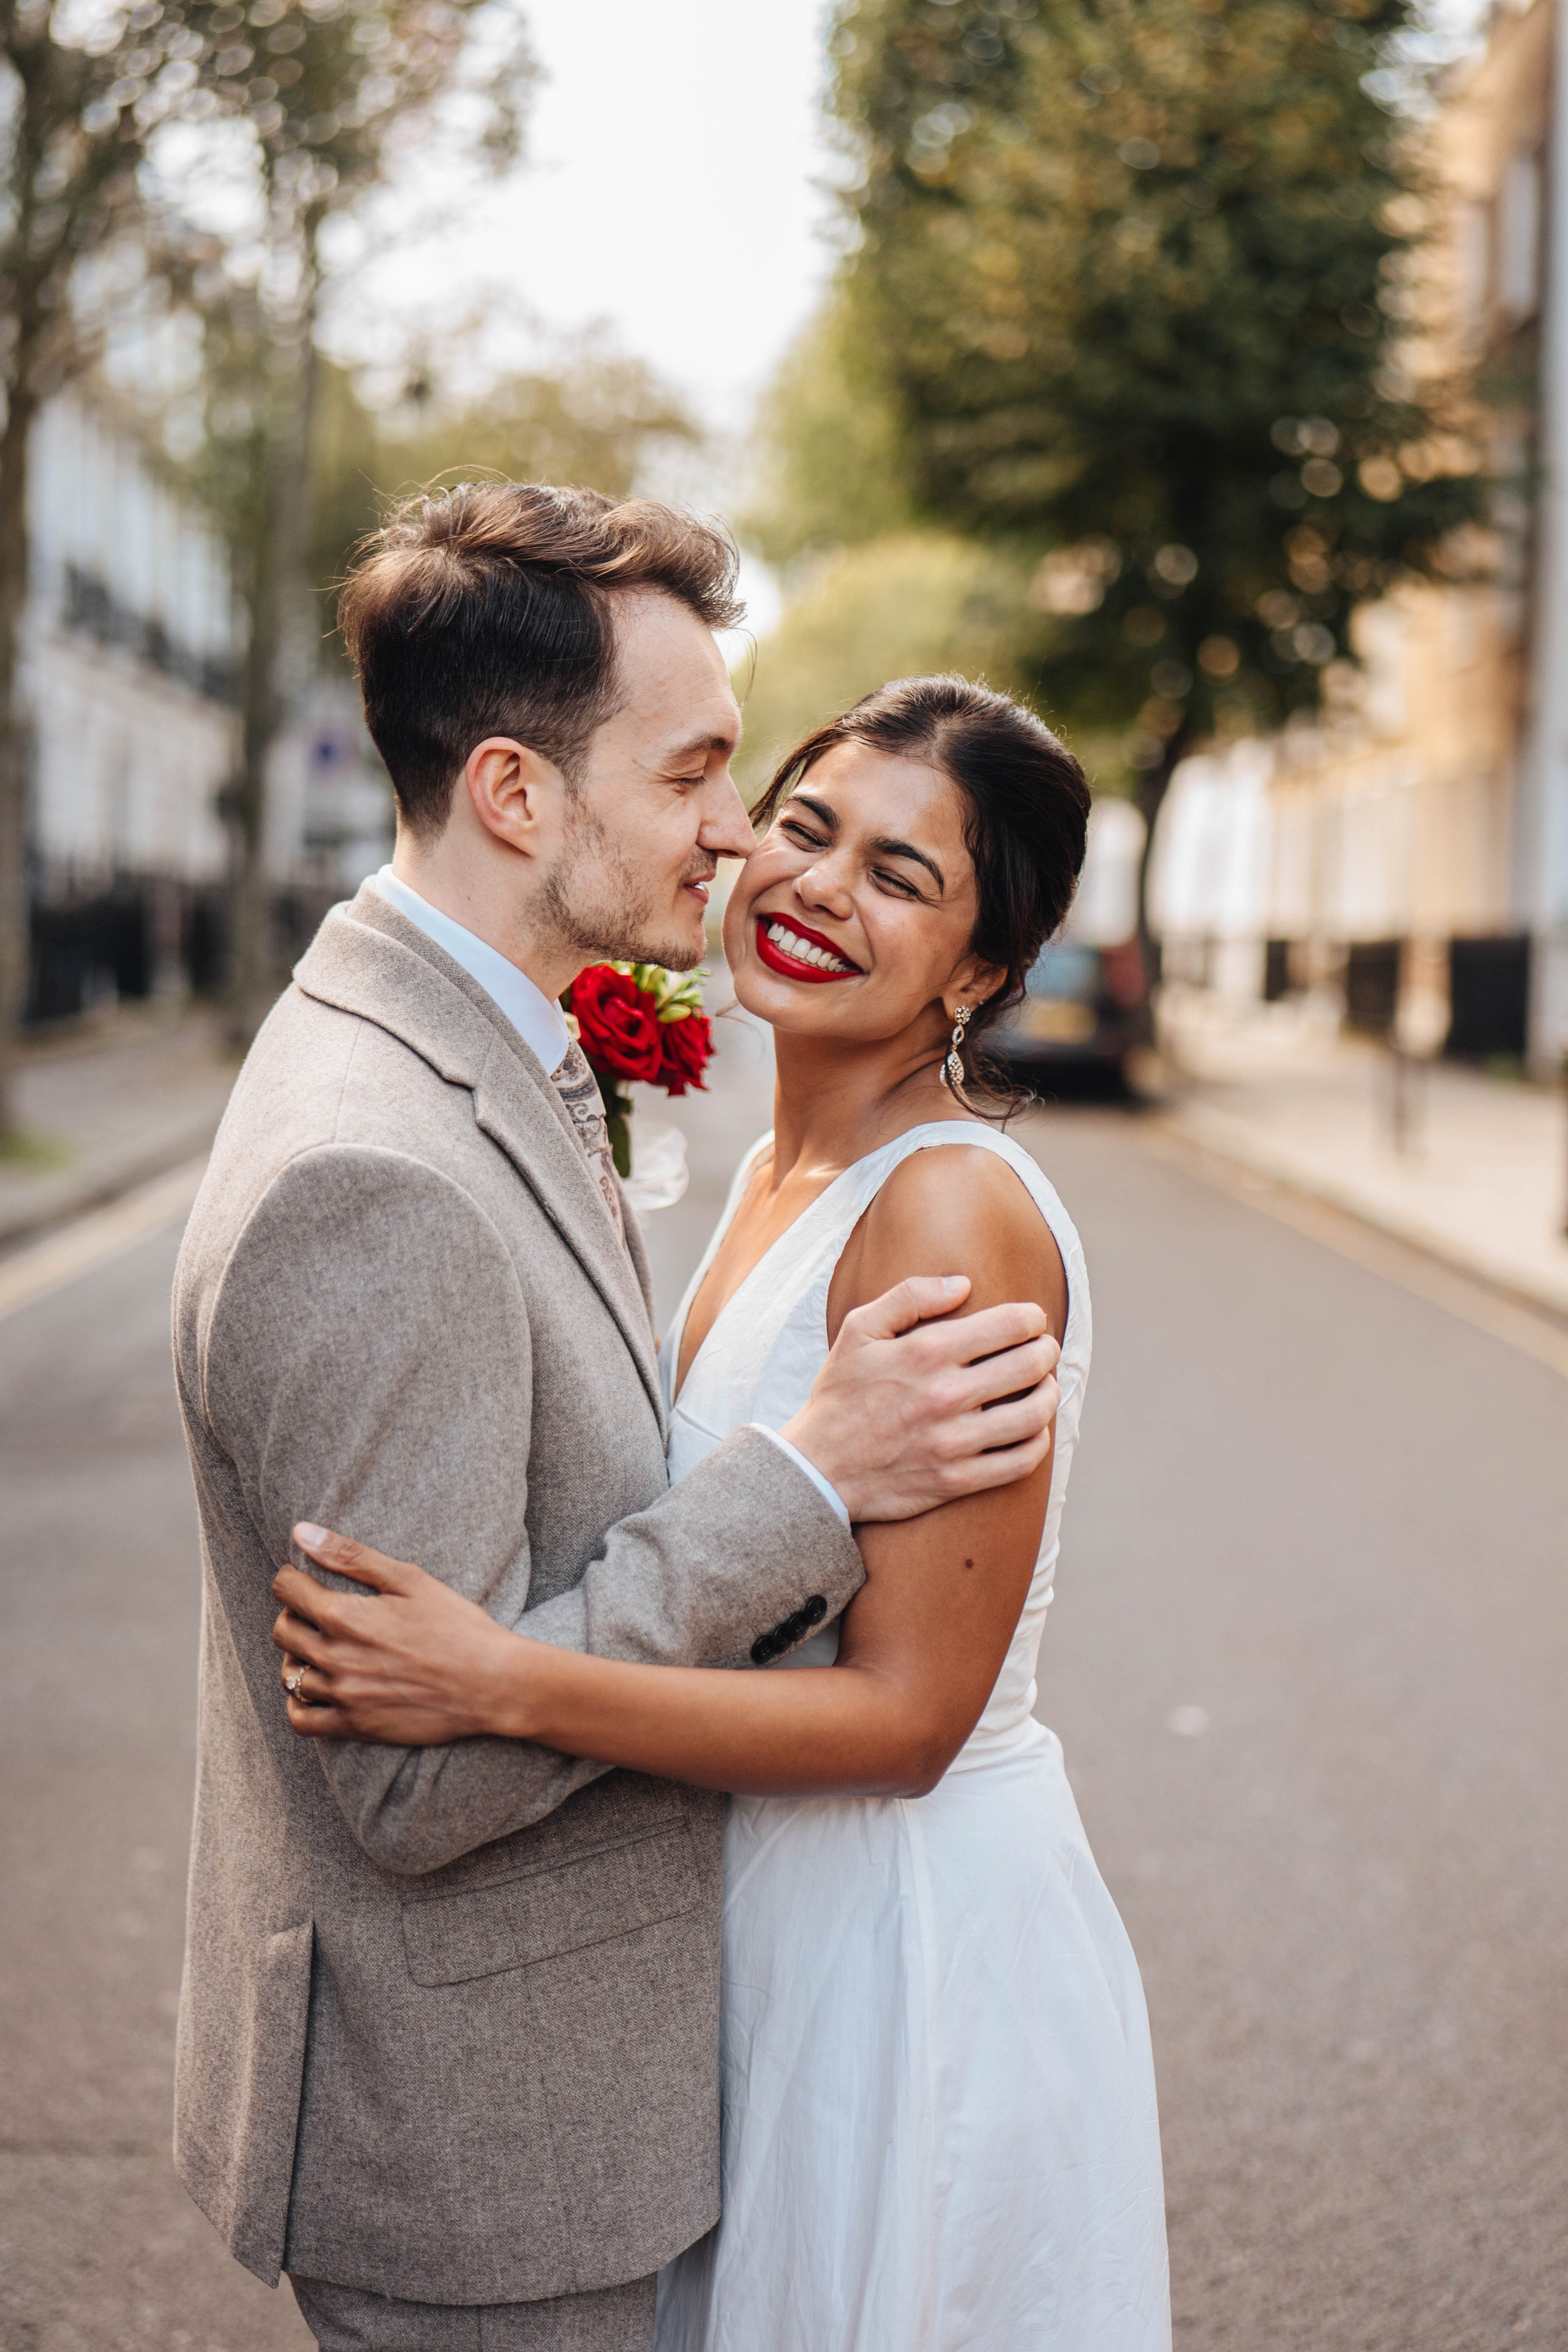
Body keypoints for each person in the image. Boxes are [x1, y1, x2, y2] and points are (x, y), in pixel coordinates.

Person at [171, 488, 1064, 2352]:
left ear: (982, 966)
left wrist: (512, 1668)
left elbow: (910, 1708)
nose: (750, 848)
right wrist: (801, 1478)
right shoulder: (387, 1166)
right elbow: (415, 1779)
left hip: (843, 1960)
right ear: (515, 794)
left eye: (899, 873)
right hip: (502, 2119)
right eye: (714, 781)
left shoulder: (916, 1202)